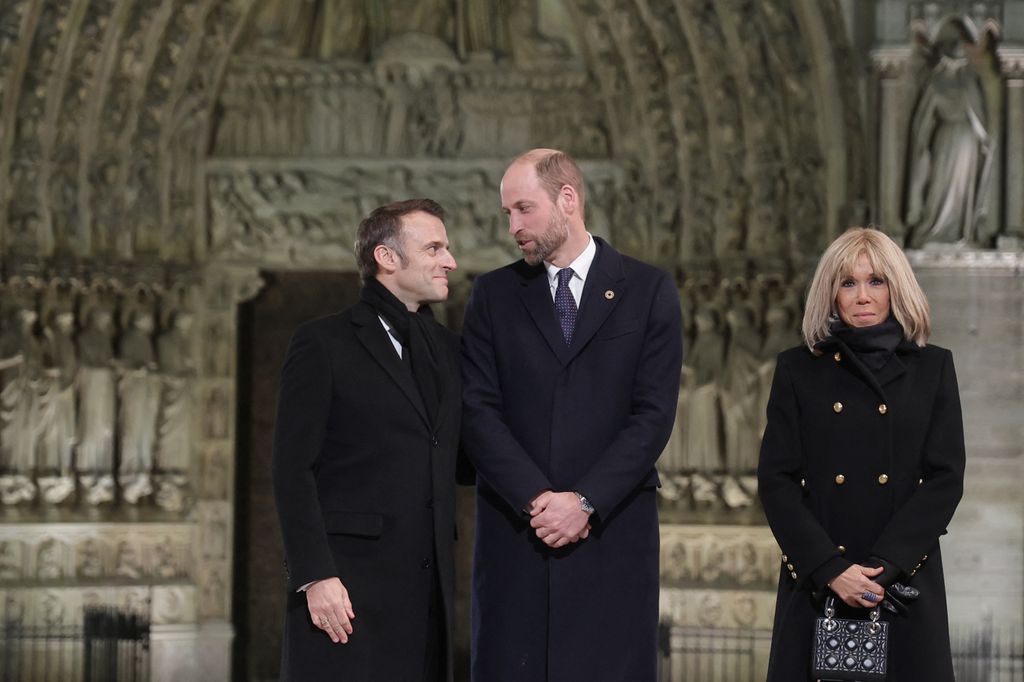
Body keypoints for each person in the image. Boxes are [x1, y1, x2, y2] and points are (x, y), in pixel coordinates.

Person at [461, 149, 683, 680]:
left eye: (523, 209)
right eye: (506, 214)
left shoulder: (648, 291)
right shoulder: (493, 295)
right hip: (519, 536)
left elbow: (652, 416)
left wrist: (584, 501)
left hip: (610, 534)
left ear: (567, 198)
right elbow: (477, 410)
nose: (513, 227)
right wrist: (539, 500)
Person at [758, 227, 965, 681]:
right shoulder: (798, 370)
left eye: (876, 281)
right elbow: (777, 481)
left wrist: (882, 568)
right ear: (830, 292)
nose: (862, 296)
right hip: (820, 585)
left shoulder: (933, 369)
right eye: (848, 283)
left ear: (897, 287)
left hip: (902, 583)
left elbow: (945, 477)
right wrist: (832, 569)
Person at [272, 199, 461, 682]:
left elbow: (459, 454)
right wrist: (315, 574)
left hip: (427, 593)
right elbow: (292, 469)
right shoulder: (323, 343)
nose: (450, 260)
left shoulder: (445, 347)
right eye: (435, 247)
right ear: (387, 258)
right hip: (345, 592)